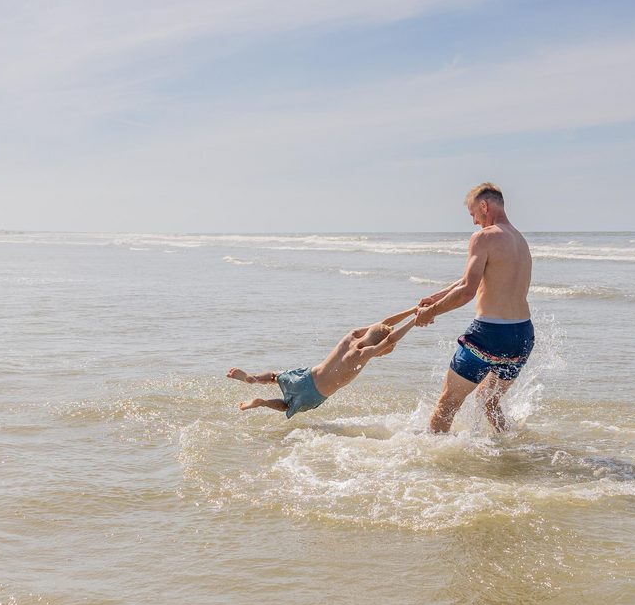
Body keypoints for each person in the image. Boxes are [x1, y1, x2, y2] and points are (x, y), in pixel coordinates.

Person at [414, 183, 534, 433]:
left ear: (484, 206)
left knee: (447, 405)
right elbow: (476, 278)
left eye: (473, 214)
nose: (474, 221)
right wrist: (437, 296)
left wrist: (431, 313)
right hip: (521, 335)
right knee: (488, 402)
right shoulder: (519, 240)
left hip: (488, 335)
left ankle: (432, 466)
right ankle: (511, 452)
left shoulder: (484, 237)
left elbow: (469, 290)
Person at [229, 306, 419, 418]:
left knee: (275, 376)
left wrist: (413, 310)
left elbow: (384, 323)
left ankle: (253, 378)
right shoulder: (363, 354)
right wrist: (414, 322)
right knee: (287, 406)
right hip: (315, 394)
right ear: (381, 349)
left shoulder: (351, 336)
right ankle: (262, 402)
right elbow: (391, 339)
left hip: (306, 376)